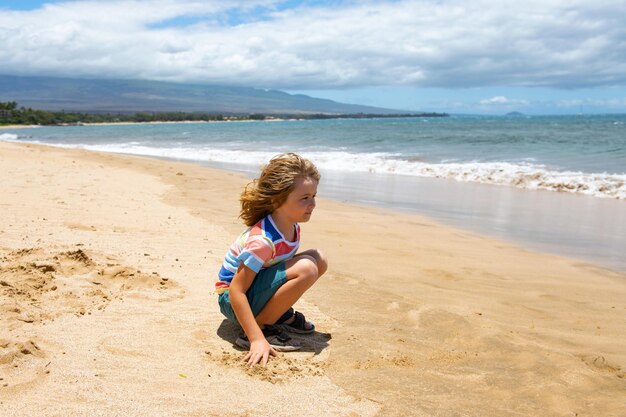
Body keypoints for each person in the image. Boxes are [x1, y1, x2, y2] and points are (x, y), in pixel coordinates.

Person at [215, 153, 327, 367]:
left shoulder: (291, 226)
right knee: (307, 268)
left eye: (314, 196)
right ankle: (258, 329)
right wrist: (256, 338)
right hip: (232, 300)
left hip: (252, 292)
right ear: (277, 200)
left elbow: (277, 268)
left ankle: (278, 315)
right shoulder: (263, 240)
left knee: (318, 259)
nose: (312, 204)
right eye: (304, 198)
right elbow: (236, 291)